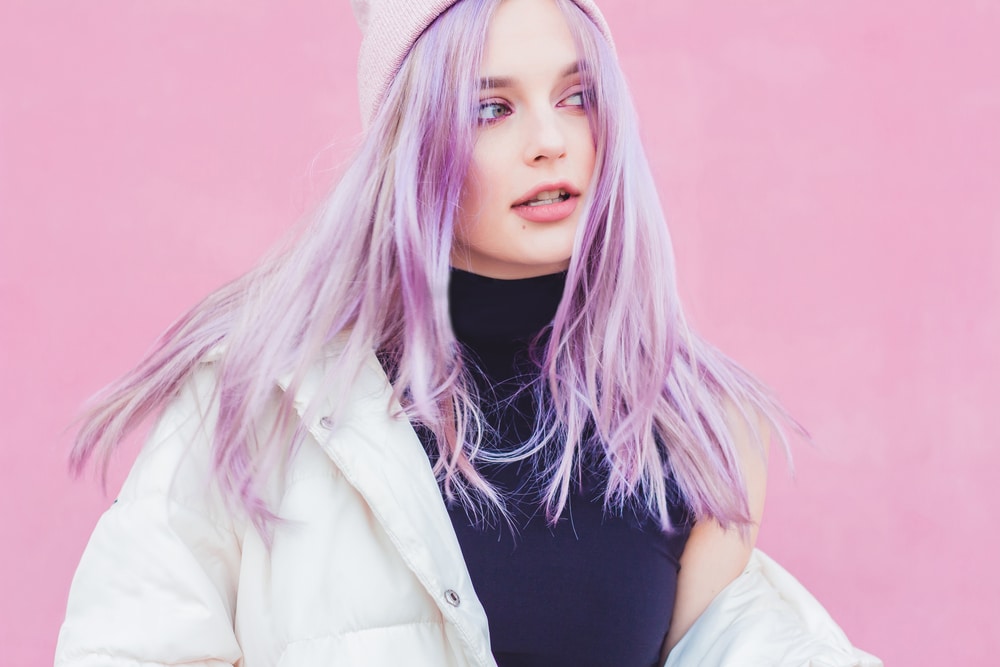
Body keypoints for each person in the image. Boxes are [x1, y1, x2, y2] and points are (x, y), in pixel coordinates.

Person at [55, 0, 883, 665]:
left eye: (576, 96)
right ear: (413, 143)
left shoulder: (700, 436)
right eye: (491, 109)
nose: (551, 141)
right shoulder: (255, 401)